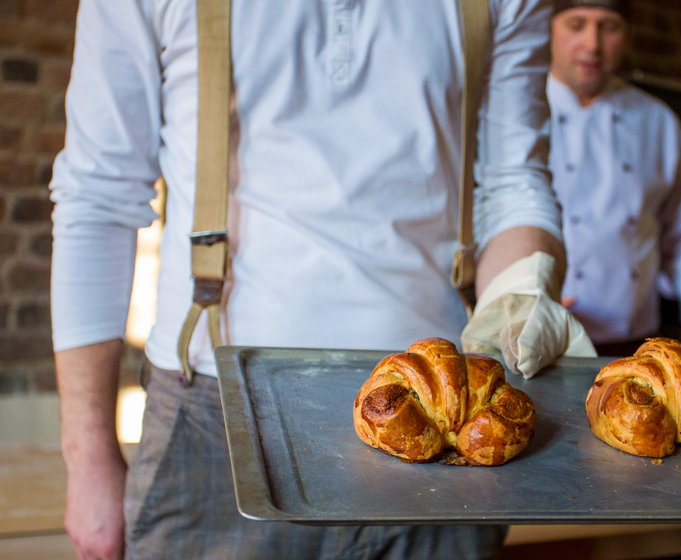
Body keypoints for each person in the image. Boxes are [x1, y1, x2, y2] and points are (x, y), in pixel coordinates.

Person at [49, 1, 593, 559]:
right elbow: (99, 197)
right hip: (215, 418)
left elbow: (512, 180)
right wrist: (87, 454)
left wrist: (523, 289)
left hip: (442, 426)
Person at [546, 0, 681, 356]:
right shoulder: (515, 112)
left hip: (633, 347)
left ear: (626, 34)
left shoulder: (657, 122)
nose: (592, 44)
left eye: (608, 26)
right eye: (577, 24)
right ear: (549, 29)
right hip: (537, 342)